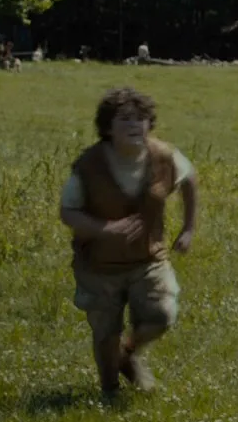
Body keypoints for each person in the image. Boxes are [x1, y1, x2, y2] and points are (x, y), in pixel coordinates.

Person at [59, 88, 199, 401]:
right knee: (105, 332)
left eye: (140, 118)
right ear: (108, 128)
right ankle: (109, 392)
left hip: (148, 259)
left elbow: (189, 178)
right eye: (124, 119)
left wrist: (188, 228)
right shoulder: (89, 166)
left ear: (149, 124)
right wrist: (105, 229)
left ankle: (129, 353)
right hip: (98, 266)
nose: (134, 124)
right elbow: (67, 212)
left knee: (161, 315)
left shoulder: (163, 156)